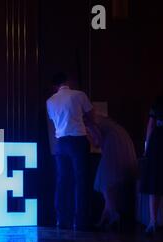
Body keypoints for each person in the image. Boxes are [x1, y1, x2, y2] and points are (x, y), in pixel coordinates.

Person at [47, 72, 95, 231]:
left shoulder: (50, 101)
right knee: (81, 181)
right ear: (68, 81)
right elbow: (91, 118)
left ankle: (61, 219)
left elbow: (54, 120)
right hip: (77, 140)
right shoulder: (79, 95)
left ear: (55, 86)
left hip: (60, 142)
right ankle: (80, 221)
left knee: (62, 181)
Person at [88, 114, 138, 229]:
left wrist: (88, 138)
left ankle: (114, 215)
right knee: (109, 185)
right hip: (121, 140)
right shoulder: (98, 118)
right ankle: (103, 220)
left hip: (113, 144)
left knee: (106, 183)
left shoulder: (87, 120)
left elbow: (98, 141)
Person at [141, 73, 163, 234]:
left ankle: (153, 221)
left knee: (155, 182)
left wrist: (147, 146)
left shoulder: (159, 101)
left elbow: (151, 126)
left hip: (158, 142)